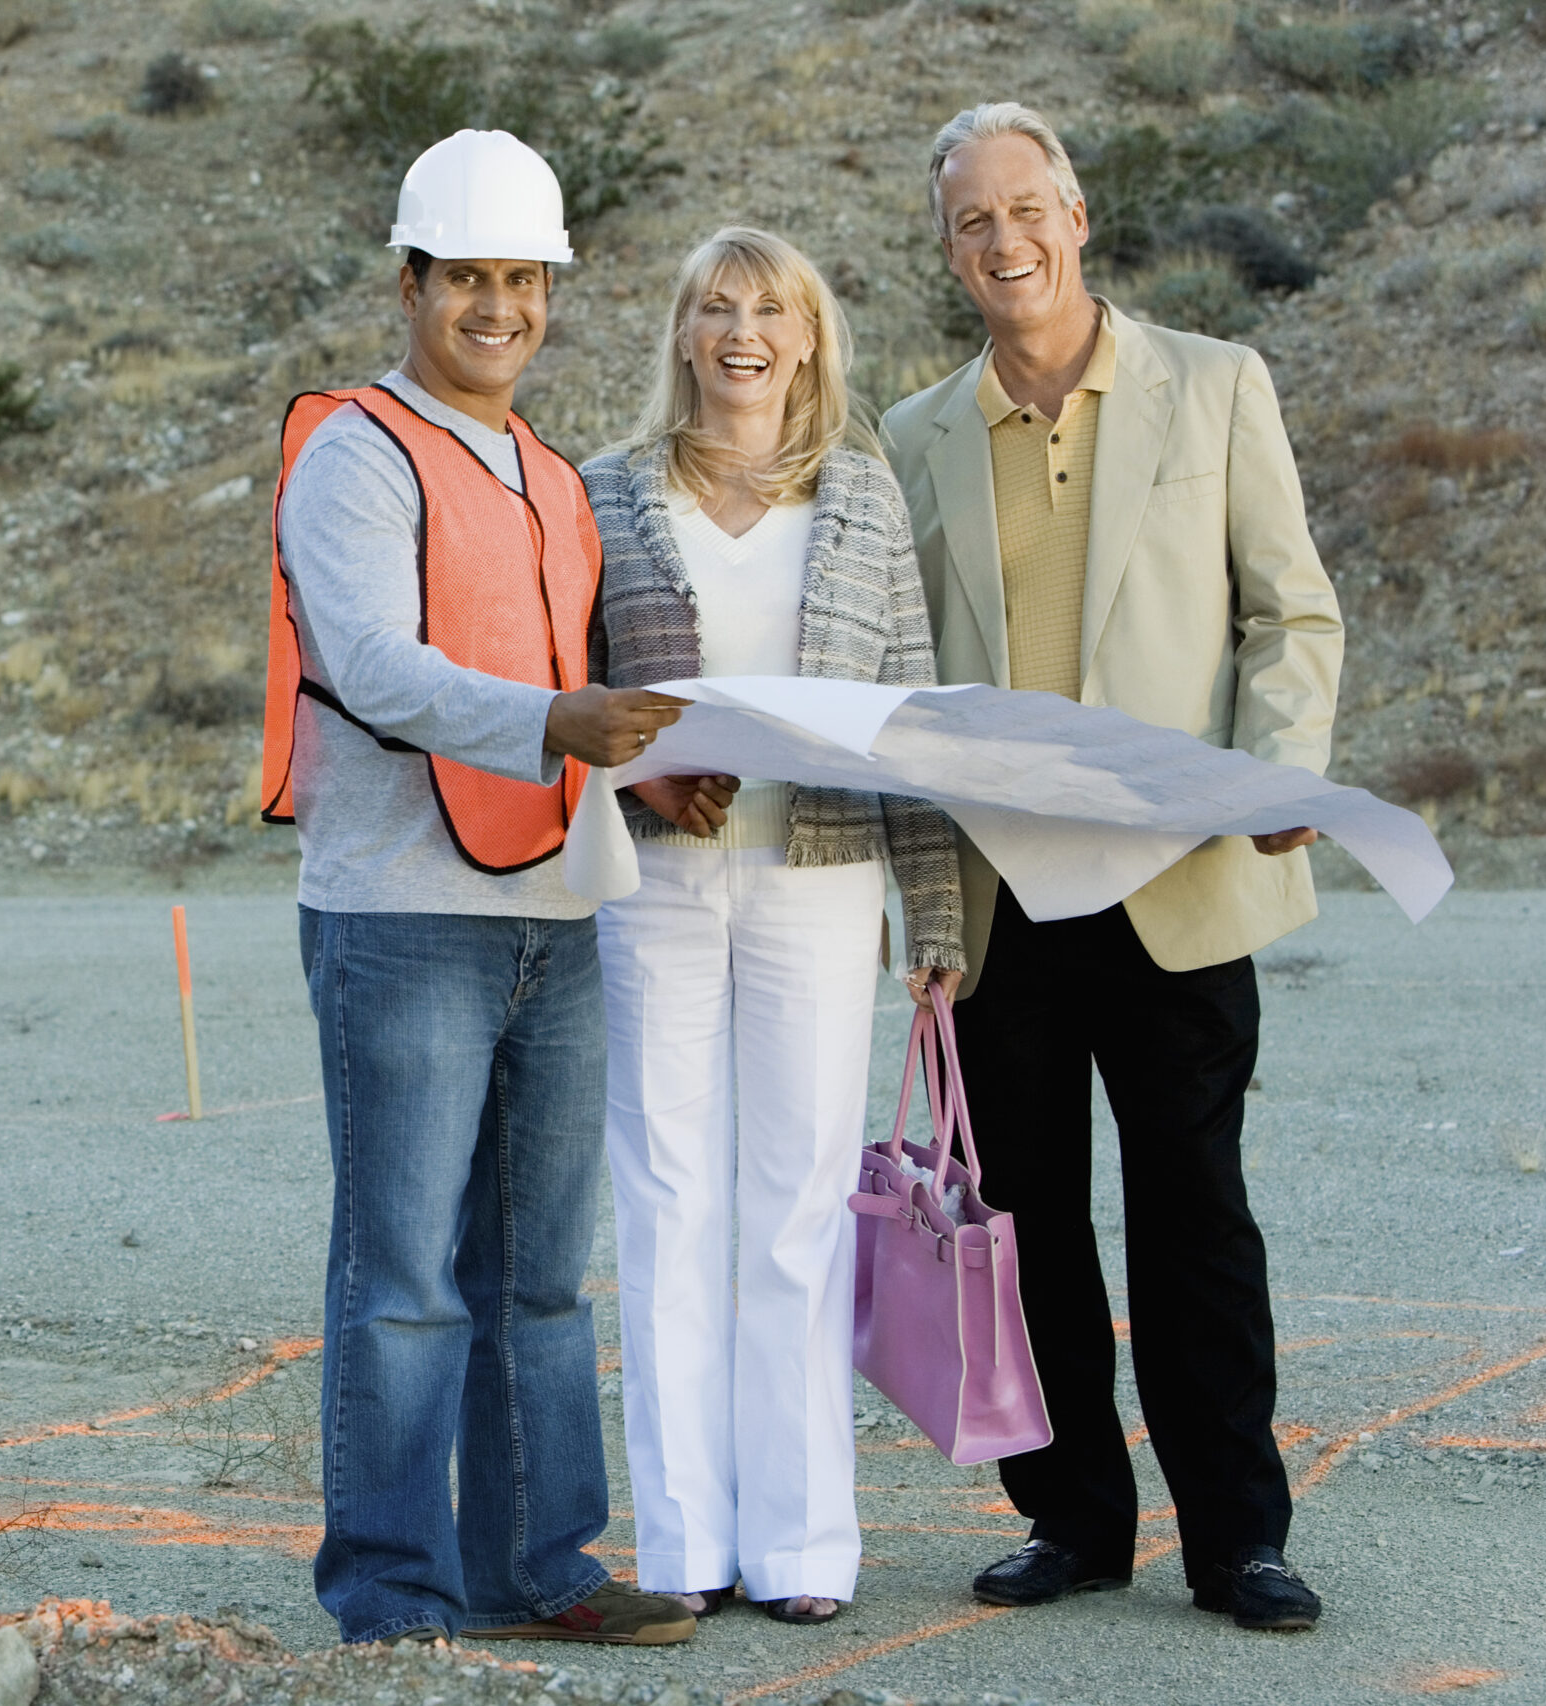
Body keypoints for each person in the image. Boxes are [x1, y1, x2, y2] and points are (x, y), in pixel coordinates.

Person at [880, 102, 1343, 1632]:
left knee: (1197, 1210)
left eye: (1027, 209)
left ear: (1076, 217)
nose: (1004, 241)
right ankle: (1075, 1518)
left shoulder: (1215, 387)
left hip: (1178, 879)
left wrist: (1278, 759)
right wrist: (926, 908)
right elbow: (906, 679)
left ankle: (1239, 1539)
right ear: (949, 249)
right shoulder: (913, 435)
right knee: (1033, 1224)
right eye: (971, 222)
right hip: (1006, 903)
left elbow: (1293, 615)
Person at [262, 129, 700, 1649]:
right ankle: (389, 1591)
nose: (497, 305)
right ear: (412, 281)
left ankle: (540, 1561)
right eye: (467, 277)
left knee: (539, 1278)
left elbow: (559, 676)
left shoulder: (554, 478)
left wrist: (639, 766)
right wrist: (557, 724)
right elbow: (377, 669)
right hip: (402, 918)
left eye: (523, 278)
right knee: (404, 1279)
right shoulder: (352, 457)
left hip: (557, 916)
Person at [578, 227, 964, 1627]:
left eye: (772, 311)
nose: (744, 332)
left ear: (809, 341)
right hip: (656, 885)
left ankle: (804, 1547)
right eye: (717, 308)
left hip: (821, 879)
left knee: (800, 1206)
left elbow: (908, 718)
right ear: (683, 334)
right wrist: (633, 781)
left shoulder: (861, 498)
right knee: (669, 1199)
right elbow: (567, 690)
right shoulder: (605, 491)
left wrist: (933, 907)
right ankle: (683, 1542)